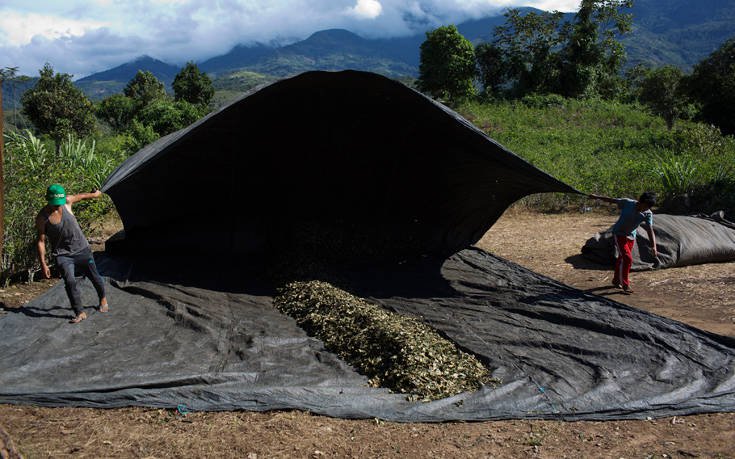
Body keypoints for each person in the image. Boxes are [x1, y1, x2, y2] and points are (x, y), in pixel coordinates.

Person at [36, 184, 108, 324]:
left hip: (82, 249)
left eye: (59, 203)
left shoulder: (67, 202)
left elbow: (82, 196)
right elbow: (41, 241)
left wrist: (95, 194)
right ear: (48, 200)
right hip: (63, 255)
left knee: (94, 276)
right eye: (55, 204)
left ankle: (103, 298)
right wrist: (43, 264)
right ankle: (79, 312)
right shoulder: (42, 218)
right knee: (70, 282)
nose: (58, 206)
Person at [587, 192, 658, 294]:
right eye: (645, 206)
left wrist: (654, 246)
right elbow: (612, 199)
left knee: (622, 258)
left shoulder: (648, 214)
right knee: (627, 258)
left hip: (631, 236)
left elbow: (650, 230)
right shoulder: (628, 203)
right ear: (640, 201)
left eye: (648, 207)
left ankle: (616, 280)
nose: (646, 209)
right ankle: (625, 284)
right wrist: (596, 197)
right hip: (619, 233)